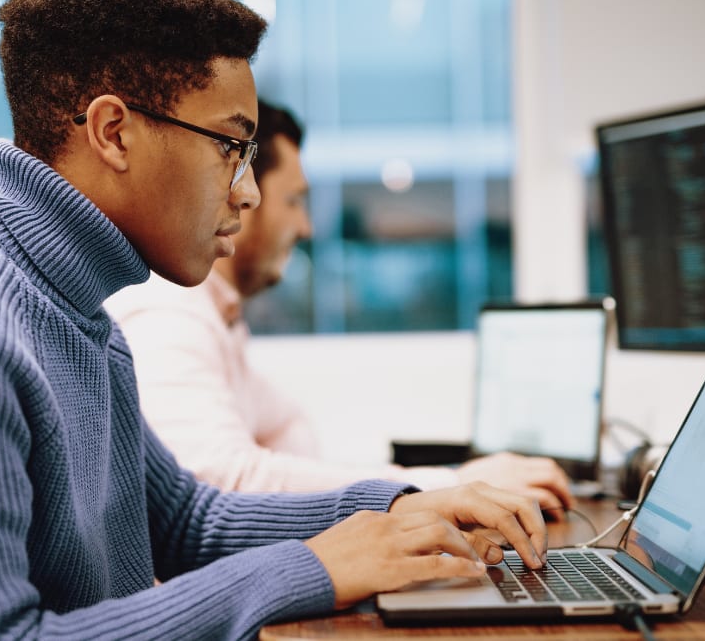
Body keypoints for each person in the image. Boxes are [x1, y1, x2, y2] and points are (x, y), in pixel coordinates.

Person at [0, 0, 547, 638]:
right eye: (230, 146)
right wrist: (316, 565)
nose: (247, 192)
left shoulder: (76, 308)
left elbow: (186, 519)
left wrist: (402, 506)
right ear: (114, 132)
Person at [106, 100, 576, 516]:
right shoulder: (168, 313)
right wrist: (449, 486)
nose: (306, 227)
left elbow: (290, 433)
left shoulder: (216, 312)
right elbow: (223, 483)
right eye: (294, 201)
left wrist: (435, 483)